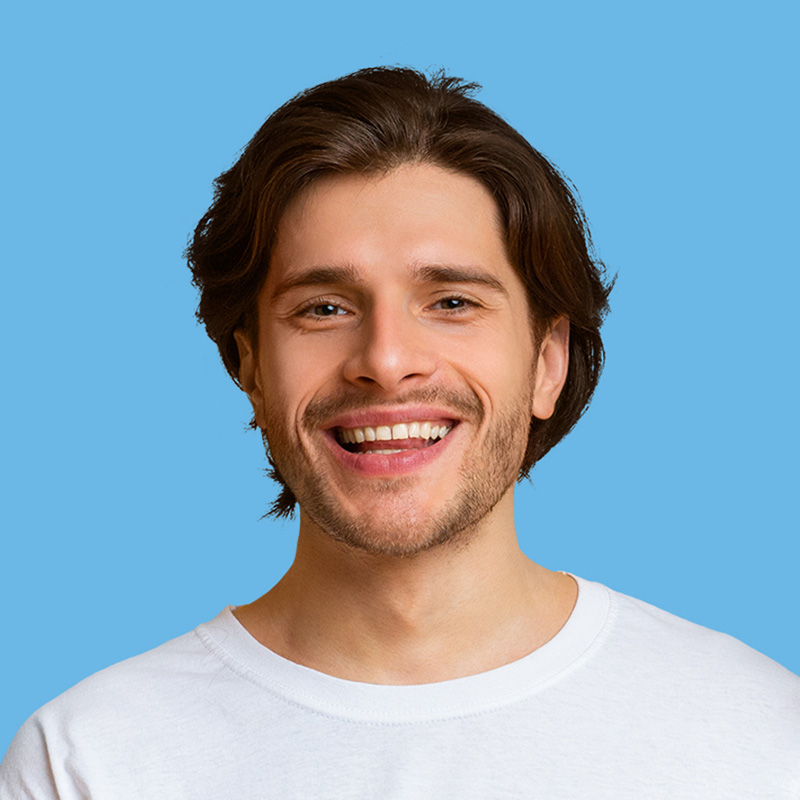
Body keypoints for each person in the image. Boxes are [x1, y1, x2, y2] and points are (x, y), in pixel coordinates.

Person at [1, 67, 798, 799]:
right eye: (324, 308)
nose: (385, 363)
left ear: (547, 362)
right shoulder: (85, 762)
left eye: (452, 303)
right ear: (250, 367)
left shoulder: (760, 737)